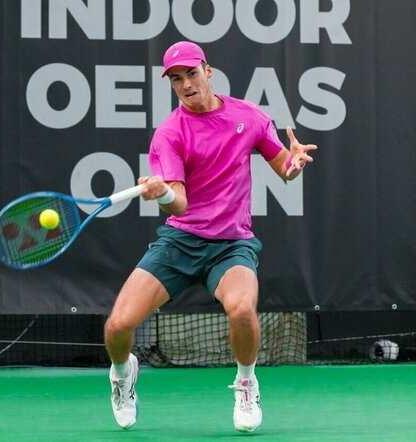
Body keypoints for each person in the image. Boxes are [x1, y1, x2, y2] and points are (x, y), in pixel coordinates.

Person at [104, 41, 317, 433]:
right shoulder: (169, 133)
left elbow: (284, 168)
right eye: (176, 79)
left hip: (231, 244)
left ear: (208, 71)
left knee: (242, 310)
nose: (186, 84)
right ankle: (122, 374)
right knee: (117, 327)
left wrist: (295, 163)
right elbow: (179, 204)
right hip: (180, 242)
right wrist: (162, 193)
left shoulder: (248, 116)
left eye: (191, 73)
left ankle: (247, 384)